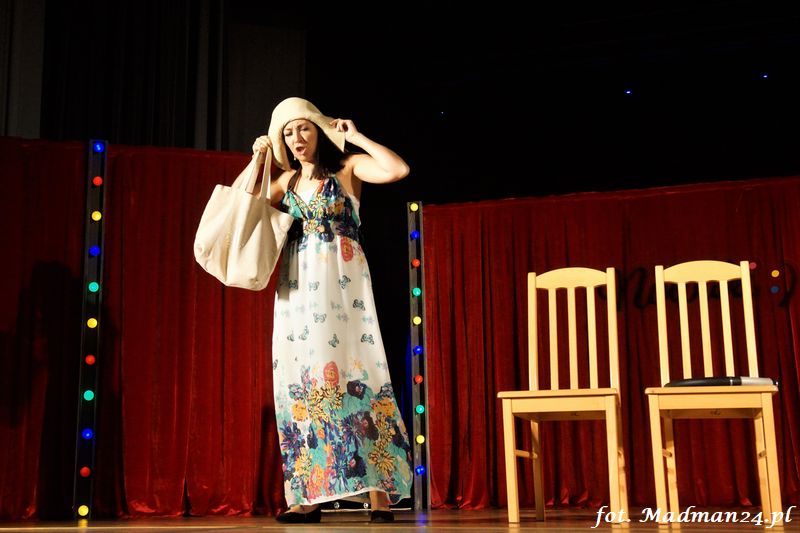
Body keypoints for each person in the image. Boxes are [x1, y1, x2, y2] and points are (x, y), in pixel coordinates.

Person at [238, 97, 413, 523]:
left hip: (343, 285)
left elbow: (397, 170)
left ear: (318, 130)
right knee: (303, 376)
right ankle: (308, 496)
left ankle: (379, 495)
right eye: (288, 132)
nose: (297, 138)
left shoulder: (346, 170)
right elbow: (243, 209)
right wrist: (259, 161)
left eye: (303, 128)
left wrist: (356, 137)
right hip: (297, 290)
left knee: (358, 371)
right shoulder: (284, 182)